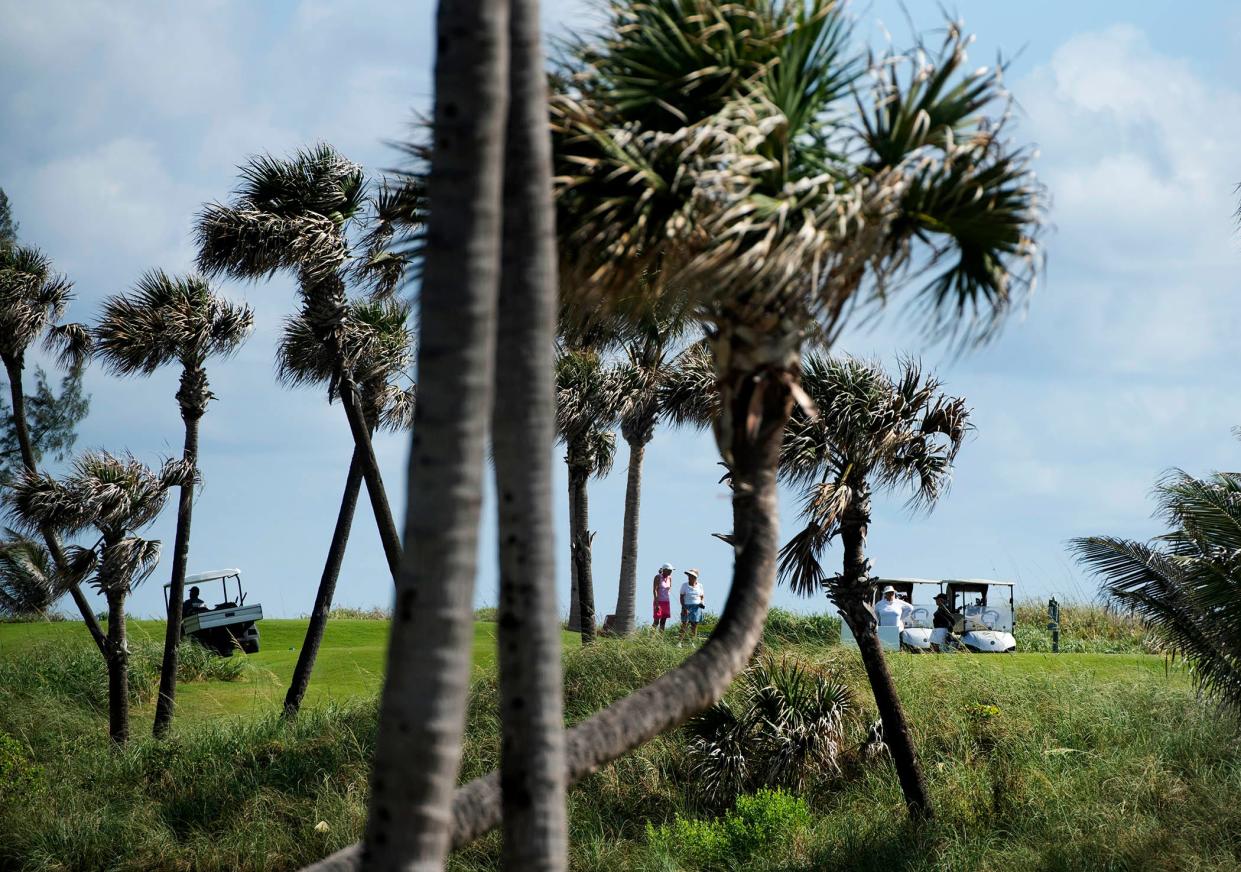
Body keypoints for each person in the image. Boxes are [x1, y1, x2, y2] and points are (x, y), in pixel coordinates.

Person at [679, 569, 705, 644]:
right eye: (689, 575)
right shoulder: (684, 585)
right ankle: (679, 642)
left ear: (695, 577)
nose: (689, 577)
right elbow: (681, 597)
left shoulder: (700, 585)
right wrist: (684, 608)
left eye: (691, 576)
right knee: (684, 624)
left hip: (697, 607)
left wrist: (702, 603)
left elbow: (702, 596)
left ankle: (692, 642)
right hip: (686, 606)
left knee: (694, 625)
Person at [652, 563, 674, 632]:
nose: (671, 572)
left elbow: (669, 588)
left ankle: (660, 639)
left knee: (663, 621)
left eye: (671, 570)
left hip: (666, 602)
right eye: (669, 570)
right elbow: (655, 590)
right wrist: (657, 603)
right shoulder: (658, 577)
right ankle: (649, 638)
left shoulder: (670, 578)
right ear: (664, 570)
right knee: (656, 621)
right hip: (659, 602)